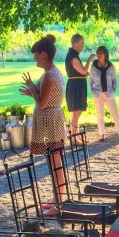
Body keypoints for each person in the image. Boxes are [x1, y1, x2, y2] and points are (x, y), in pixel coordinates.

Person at [20, 34, 68, 201]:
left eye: (36, 54)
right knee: (54, 161)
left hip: (50, 121)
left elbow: (42, 104)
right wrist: (33, 91)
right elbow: (48, 97)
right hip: (52, 119)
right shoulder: (53, 72)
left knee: (55, 162)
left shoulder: (49, 74)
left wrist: (32, 88)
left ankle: (59, 200)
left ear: (44, 54)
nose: (34, 58)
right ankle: (58, 199)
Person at [88, 46, 119, 142]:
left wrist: (113, 90)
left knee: (115, 113)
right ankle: (102, 134)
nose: (98, 55)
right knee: (100, 115)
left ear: (105, 54)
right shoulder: (94, 66)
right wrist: (92, 90)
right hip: (98, 93)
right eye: (97, 53)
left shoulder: (111, 67)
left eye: (101, 53)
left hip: (109, 93)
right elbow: (90, 80)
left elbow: (114, 80)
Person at [64, 33, 95, 136]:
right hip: (75, 86)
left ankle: (75, 135)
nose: (83, 45)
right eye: (82, 43)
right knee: (76, 111)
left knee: (77, 112)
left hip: (78, 84)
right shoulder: (73, 56)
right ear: (76, 43)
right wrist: (90, 60)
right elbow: (82, 70)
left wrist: (84, 74)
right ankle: (73, 136)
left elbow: (79, 72)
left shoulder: (74, 55)